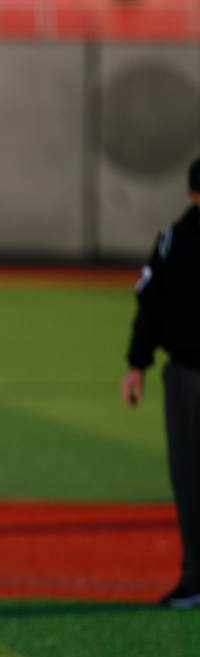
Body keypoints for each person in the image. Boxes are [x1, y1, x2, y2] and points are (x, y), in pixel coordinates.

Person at [121, 156, 200, 609]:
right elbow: (150, 304)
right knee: (189, 480)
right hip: (187, 372)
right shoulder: (175, 241)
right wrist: (137, 363)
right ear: (193, 194)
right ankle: (194, 577)